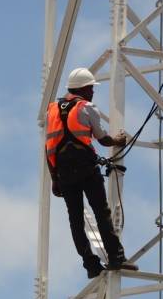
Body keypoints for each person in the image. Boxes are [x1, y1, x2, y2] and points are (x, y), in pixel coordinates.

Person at [45, 67, 138, 279]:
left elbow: (48, 148)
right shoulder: (86, 107)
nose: (93, 92)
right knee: (101, 213)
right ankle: (116, 257)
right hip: (86, 169)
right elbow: (102, 139)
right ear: (84, 89)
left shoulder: (51, 110)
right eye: (91, 88)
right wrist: (118, 140)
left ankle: (91, 265)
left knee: (75, 220)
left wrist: (54, 180)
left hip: (63, 172)